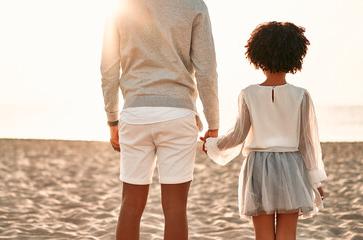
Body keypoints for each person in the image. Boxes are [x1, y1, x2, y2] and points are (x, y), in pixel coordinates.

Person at [100, 0, 219, 239]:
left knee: (130, 205)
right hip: (178, 113)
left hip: (136, 114)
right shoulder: (194, 5)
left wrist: (113, 120)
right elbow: (207, 69)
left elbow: (109, 68)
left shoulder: (122, 7)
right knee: (175, 209)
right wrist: (213, 123)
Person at [202, 21, 327, 240]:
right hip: (292, 166)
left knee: (263, 236)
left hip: (258, 168)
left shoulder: (248, 94)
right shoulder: (301, 95)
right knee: (288, 234)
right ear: (294, 55)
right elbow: (307, 143)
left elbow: (237, 135)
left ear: (257, 55)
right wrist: (315, 181)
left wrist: (212, 144)